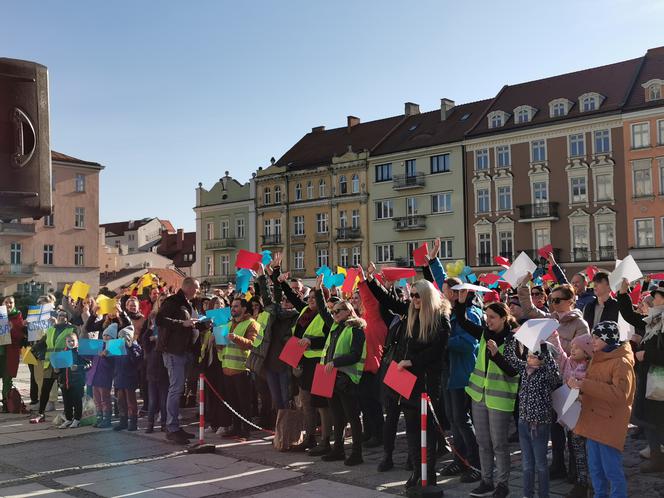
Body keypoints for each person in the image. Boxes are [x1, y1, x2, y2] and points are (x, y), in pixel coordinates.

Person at [367, 270, 450, 489]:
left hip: (426, 381)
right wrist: (371, 282)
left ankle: (428, 473)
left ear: (427, 296)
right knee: (412, 427)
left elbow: (437, 352)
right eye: (411, 295)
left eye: (417, 295)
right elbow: (389, 301)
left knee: (427, 429)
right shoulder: (411, 311)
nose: (413, 299)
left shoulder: (441, 319)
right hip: (404, 378)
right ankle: (416, 470)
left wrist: (412, 362)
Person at [518, 277, 590, 479]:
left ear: (570, 301)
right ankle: (558, 464)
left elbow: (583, 352)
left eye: (558, 300)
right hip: (550, 378)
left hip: (569, 379)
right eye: (551, 300)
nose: (553, 304)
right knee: (555, 426)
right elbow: (530, 310)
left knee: (572, 427)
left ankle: (577, 469)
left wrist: (557, 349)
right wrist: (524, 286)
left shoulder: (579, 323)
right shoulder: (551, 318)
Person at [425, 241, 482, 483]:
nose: (441, 293)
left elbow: (469, 343)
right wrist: (433, 261)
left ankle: (475, 463)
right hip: (449, 375)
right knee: (454, 421)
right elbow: (441, 281)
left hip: (462, 374)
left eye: (446, 291)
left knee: (462, 420)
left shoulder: (470, 313)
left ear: (458, 293)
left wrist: (444, 342)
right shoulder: (450, 308)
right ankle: (460, 460)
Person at [456, 292, 520, 498]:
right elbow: (463, 322)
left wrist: (496, 356)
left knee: (499, 445)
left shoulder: (513, 339)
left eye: (492, 317)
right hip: (479, 397)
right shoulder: (484, 333)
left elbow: (513, 371)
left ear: (503, 318)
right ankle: (486, 480)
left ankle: (503, 484)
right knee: (483, 443)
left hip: (500, 399)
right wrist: (461, 301)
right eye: (486, 316)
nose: (488, 320)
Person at [572, 321, 635, 498]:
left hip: (609, 422)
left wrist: (584, 384)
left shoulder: (621, 362)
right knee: (596, 470)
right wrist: (579, 392)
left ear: (608, 339)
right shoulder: (598, 357)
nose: (592, 340)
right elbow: (595, 388)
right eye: (593, 336)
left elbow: (621, 395)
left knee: (611, 471)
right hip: (594, 422)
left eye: (597, 337)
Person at [277, 265, 333, 455]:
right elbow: (293, 298)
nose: (309, 301)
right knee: (307, 403)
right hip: (304, 364)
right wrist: (280, 279)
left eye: (314, 298)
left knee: (323, 406)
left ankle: (326, 440)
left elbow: (328, 339)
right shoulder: (304, 313)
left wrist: (311, 341)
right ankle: (309, 438)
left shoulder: (327, 317)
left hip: (321, 364)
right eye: (308, 298)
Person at [313, 275, 366, 466]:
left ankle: (357, 453)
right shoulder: (335, 326)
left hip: (347, 379)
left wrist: (335, 362)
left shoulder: (356, 329)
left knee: (352, 417)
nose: (334, 314)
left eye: (337, 311)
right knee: (337, 416)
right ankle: (339, 449)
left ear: (348, 311)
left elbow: (355, 354)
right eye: (333, 312)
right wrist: (318, 291)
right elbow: (322, 311)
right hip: (331, 377)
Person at [616, 280, 664, 473]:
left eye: (658, 296)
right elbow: (629, 316)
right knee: (650, 421)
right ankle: (656, 456)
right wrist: (622, 292)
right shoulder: (654, 320)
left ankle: (658, 457)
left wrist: (646, 355)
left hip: (660, 381)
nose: (654, 298)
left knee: (656, 421)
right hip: (650, 380)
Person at [505, 338, 562, 498]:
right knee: (527, 464)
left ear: (542, 359)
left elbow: (555, 376)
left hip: (539, 424)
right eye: (528, 355)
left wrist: (544, 350)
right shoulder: (524, 369)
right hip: (523, 422)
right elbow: (511, 359)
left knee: (541, 464)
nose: (528, 358)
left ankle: (544, 495)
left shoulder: (546, 374)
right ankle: (527, 494)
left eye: (533, 356)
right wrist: (511, 340)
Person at [156, 277, 201, 444]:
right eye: (196, 288)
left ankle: (175, 426)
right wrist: (183, 323)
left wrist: (200, 325)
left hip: (185, 350)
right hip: (173, 351)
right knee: (175, 388)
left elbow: (190, 324)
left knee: (178, 388)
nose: (198, 291)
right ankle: (171, 427)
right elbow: (160, 320)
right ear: (187, 287)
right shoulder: (173, 301)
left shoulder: (189, 303)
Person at [551, 332, 594, 497]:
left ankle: (587, 480)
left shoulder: (590, 367)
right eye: (573, 347)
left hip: (585, 414)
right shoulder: (568, 361)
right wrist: (555, 339)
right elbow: (560, 355)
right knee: (575, 448)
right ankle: (580, 480)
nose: (573, 350)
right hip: (571, 414)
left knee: (586, 450)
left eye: (577, 348)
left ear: (587, 351)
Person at [220, 297, 260, 439]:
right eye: (232, 306)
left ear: (244, 308)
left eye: (236, 306)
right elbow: (222, 346)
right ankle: (235, 427)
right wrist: (217, 341)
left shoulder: (252, 323)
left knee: (244, 402)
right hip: (227, 369)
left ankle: (245, 430)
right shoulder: (228, 323)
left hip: (242, 369)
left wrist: (236, 338)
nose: (233, 309)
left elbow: (252, 344)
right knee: (232, 402)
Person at [30, 309, 76, 424]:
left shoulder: (72, 329)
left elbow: (75, 343)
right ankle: (41, 414)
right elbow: (43, 342)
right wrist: (33, 350)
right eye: (60, 315)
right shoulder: (50, 329)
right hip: (50, 363)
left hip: (63, 363)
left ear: (67, 317)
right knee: (45, 389)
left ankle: (68, 414)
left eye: (64, 315)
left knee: (65, 390)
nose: (62, 317)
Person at [142, 294, 169, 433]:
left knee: (164, 400)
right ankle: (150, 423)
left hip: (164, 367)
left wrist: (157, 338)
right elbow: (144, 342)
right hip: (152, 367)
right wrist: (150, 331)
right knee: (152, 401)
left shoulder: (169, 321)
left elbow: (168, 341)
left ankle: (164, 423)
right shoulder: (152, 320)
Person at [112, 326, 144, 431]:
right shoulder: (117, 348)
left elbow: (137, 362)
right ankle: (123, 421)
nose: (121, 339)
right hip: (119, 378)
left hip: (129, 378)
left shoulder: (134, 348)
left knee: (131, 402)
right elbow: (112, 363)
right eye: (120, 337)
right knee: (121, 402)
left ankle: (133, 422)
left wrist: (130, 348)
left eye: (124, 337)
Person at [55, 333, 89, 429]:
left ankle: (77, 419)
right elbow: (60, 369)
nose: (71, 343)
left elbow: (89, 364)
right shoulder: (62, 353)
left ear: (77, 341)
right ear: (65, 342)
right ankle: (68, 419)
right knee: (67, 403)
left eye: (73, 341)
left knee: (77, 402)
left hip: (77, 382)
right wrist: (57, 370)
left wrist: (78, 367)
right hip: (64, 382)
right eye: (69, 341)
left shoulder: (80, 352)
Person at [1, 297, 25, 412]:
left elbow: (20, 336)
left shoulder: (18, 316)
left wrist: (12, 329)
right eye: (6, 302)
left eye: (11, 302)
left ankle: (6, 403)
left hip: (10, 352)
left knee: (7, 378)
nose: (9, 304)